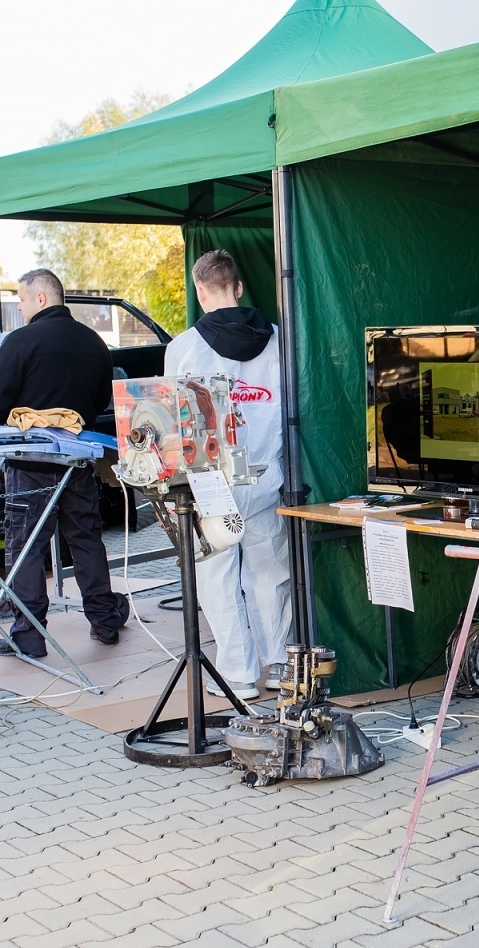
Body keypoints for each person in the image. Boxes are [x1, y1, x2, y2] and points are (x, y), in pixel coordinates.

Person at [164, 250, 291, 700]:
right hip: (268, 476)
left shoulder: (183, 348)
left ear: (200, 292)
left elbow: (172, 421)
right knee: (270, 573)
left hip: (211, 483)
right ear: (238, 287)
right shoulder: (279, 339)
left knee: (218, 577)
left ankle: (237, 674)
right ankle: (279, 665)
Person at [0, 268, 127, 657]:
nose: (18, 306)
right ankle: (105, 623)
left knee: (27, 547)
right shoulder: (94, 341)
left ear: (41, 298)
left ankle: (29, 636)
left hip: (30, 462)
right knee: (86, 540)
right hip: (78, 458)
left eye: (21, 298)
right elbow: (101, 401)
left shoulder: (20, 341)